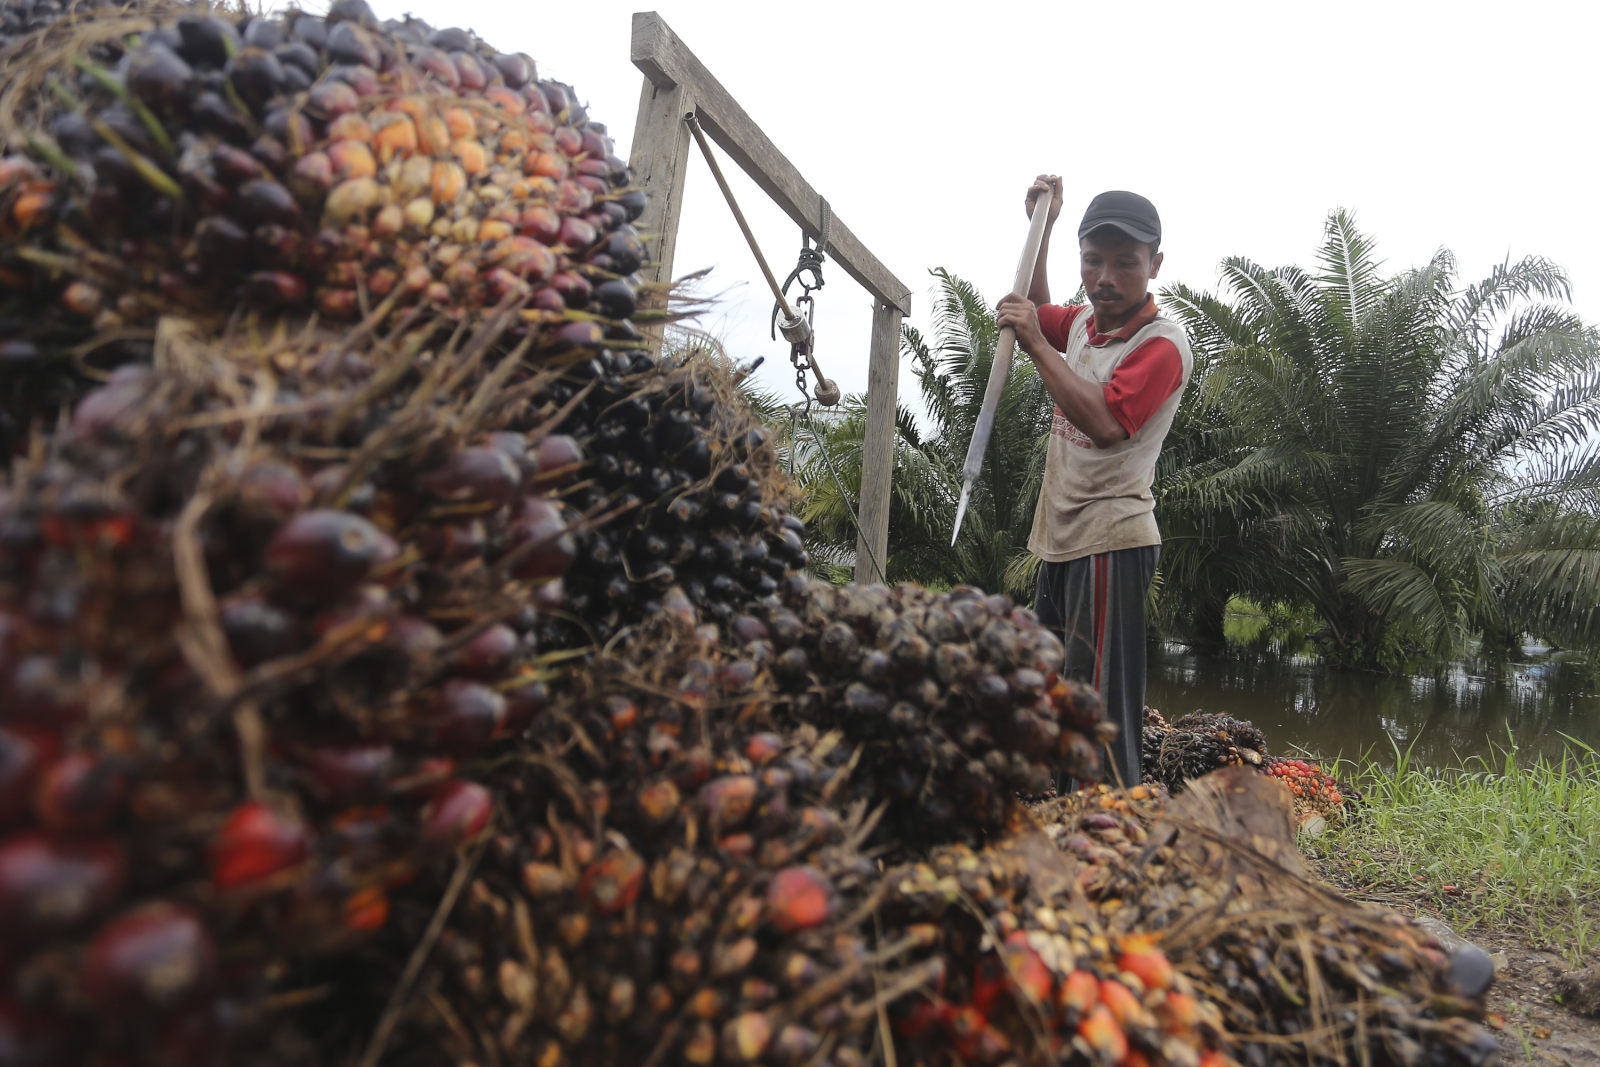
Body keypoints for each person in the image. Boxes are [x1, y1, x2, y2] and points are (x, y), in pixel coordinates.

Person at [995, 177, 1193, 789]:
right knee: (1052, 688)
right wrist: (1043, 231)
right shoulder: (1084, 324)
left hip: (1112, 540)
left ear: (1155, 264)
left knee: (1101, 710)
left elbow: (1106, 422)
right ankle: (1062, 813)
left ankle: (1110, 831)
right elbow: (1040, 306)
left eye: (1125, 263)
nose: (1105, 276)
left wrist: (1031, 340)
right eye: (1093, 260)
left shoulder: (1161, 345)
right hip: (1061, 537)